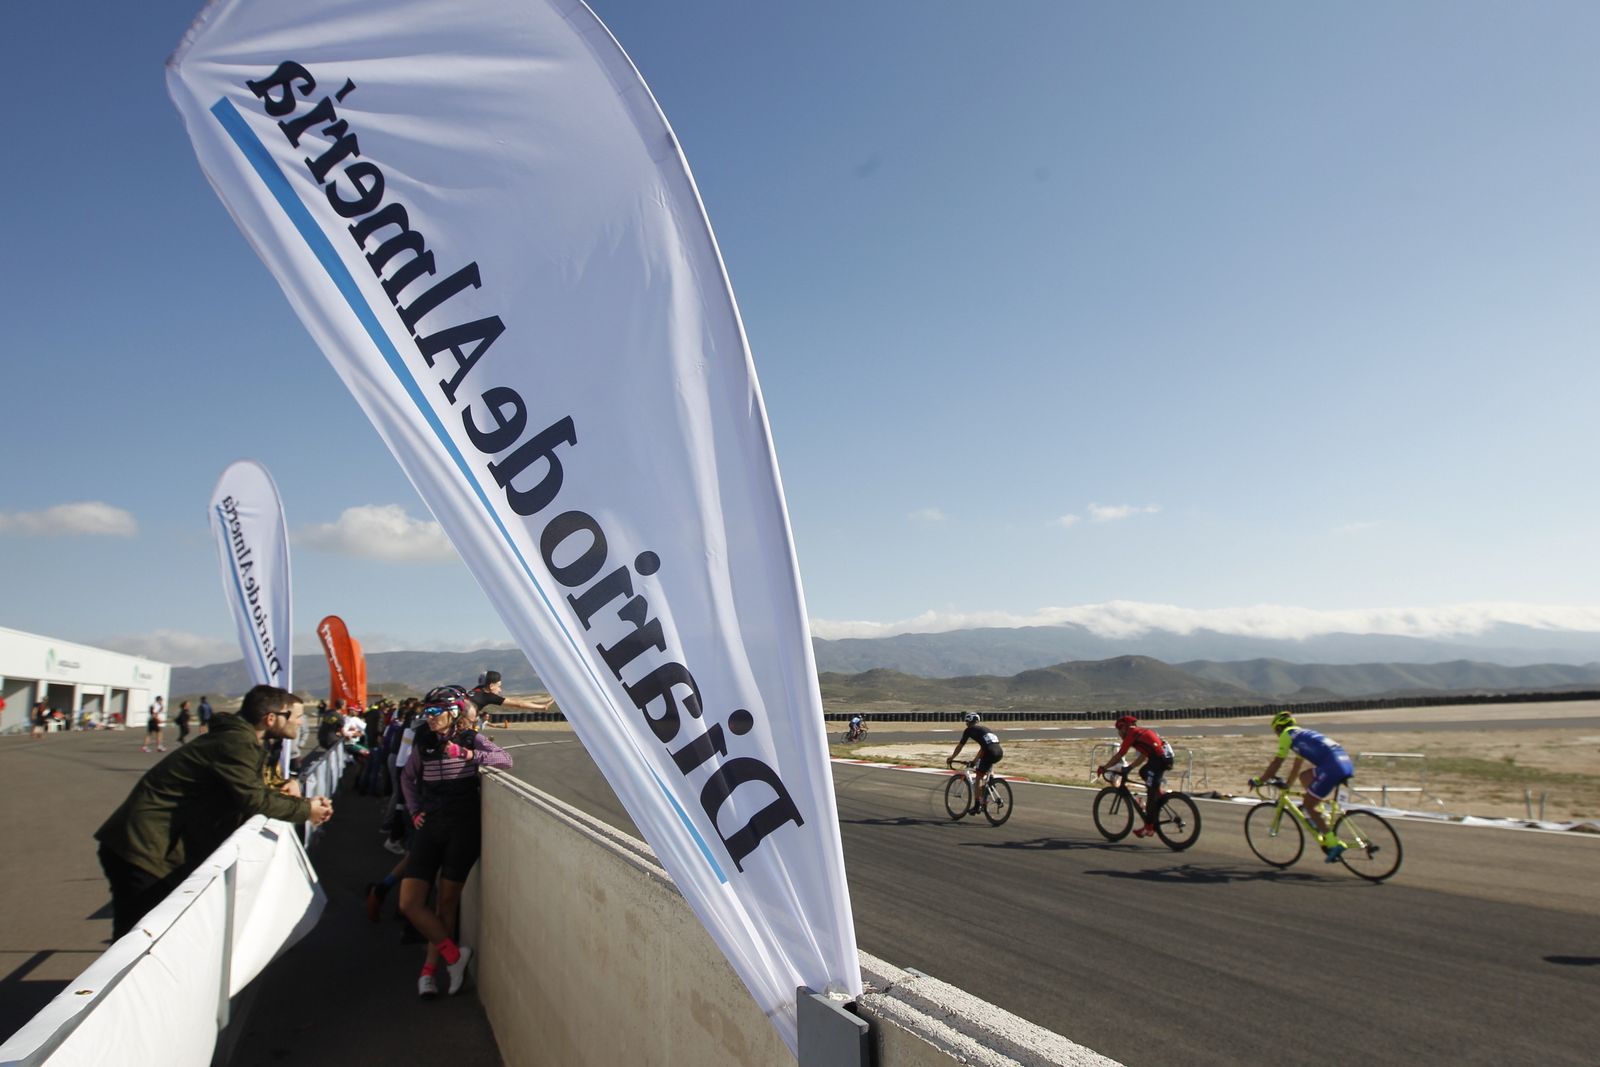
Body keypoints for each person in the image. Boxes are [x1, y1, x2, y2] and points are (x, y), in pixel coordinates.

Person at [95, 684, 334, 939]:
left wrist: (298, 796)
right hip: (143, 848)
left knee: (150, 940)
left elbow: (250, 789)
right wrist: (306, 810)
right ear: (271, 718)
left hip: (152, 844)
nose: (299, 723)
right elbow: (253, 799)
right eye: (294, 716)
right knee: (135, 944)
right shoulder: (236, 743)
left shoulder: (240, 740)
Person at [399, 685, 512, 999]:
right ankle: (454, 956)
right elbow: (407, 777)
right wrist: (414, 810)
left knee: (445, 904)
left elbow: (505, 760)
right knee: (409, 903)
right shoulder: (422, 739)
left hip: (462, 827)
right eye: (427, 712)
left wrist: (467, 755)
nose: (429, 718)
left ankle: (429, 972)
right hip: (431, 825)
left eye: (435, 712)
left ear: (453, 712)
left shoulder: (468, 736)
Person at [1250, 710, 1357, 862]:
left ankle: (1333, 844)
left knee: (1308, 804)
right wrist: (1287, 785)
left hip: (1332, 767)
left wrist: (1260, 780)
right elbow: (1297, 767)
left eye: (1276, 732)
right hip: (1344, 761)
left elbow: (1277, 762)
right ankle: (1318, 814)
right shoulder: (1302, 735)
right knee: (1304, 777)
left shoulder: (1287, 735)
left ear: (1279, 728)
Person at [1096, 714, 1176, 838]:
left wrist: (1105, 767)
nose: (1119, 733)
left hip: (1159, 759)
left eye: (1119, 729)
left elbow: (1120, 754)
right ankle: (1159, 793)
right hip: (1164, 758)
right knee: (1143, 772)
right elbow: (1144, 755)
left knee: (1150, 792)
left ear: (1125, 727)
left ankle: (1149, 827)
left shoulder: (1132, 734)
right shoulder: (1141, 733)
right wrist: (1130, 767)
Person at [946, 712, 1004, 816]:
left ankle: (977, 806)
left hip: (989, 752)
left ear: (968, 722)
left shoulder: (969, 730)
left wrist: (952, 757)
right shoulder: (985, 729)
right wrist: (974, 760)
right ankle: (991, 782)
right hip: (999, 752)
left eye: (966, 722)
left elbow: (960, 746)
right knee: (987, 768)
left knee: (979, 777)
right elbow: (983, 747)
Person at [467, 670, 552, 729]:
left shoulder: (473, 691)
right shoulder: (488, 695)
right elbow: (518, 704)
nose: (500, 690)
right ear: (491, 686)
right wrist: (542, 706)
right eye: (499, 686)